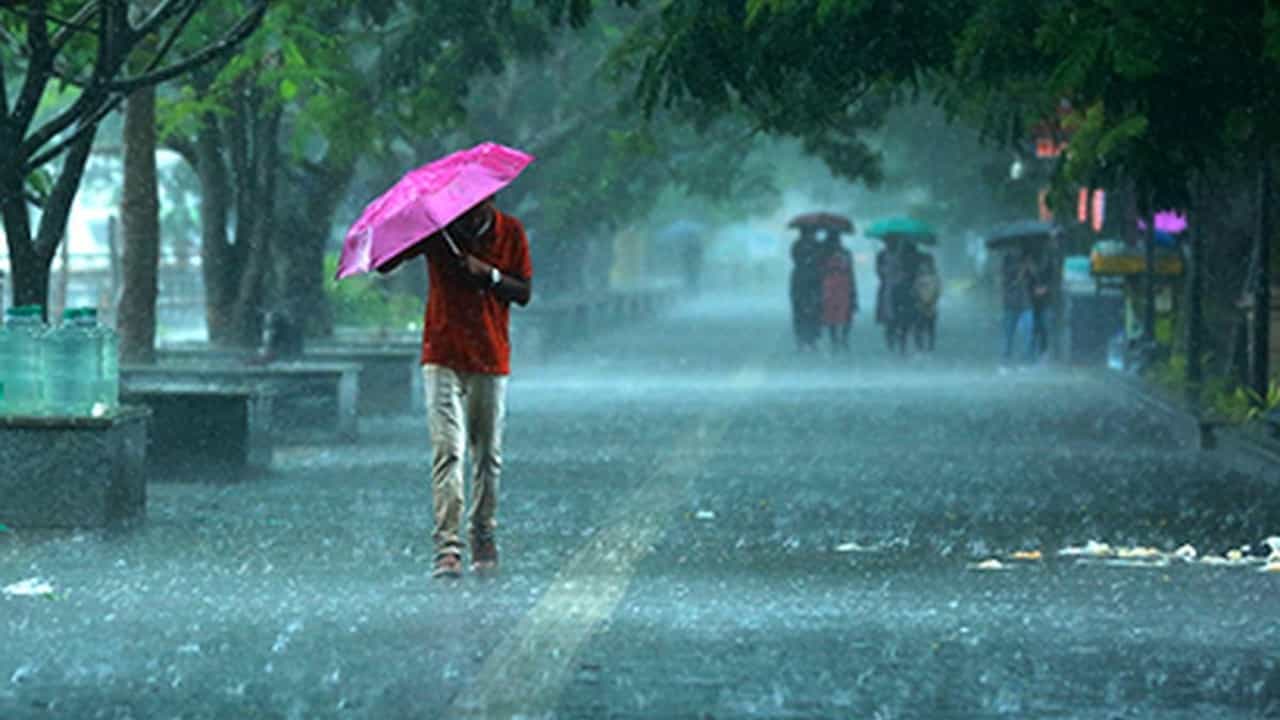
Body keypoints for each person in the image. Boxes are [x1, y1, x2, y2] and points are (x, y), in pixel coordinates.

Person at [377, 196, 533, 579]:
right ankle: (447, 547)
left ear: (491, 201)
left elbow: (524, 292)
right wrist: (405, 229)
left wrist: (489, 275)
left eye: (477, 205)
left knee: (487, 455)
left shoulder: (510, 231)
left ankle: (482, 532)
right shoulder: (438, 231)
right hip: (442, 353)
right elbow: (386, 264)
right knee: (448, 450)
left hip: (490, 356)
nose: (468, 211)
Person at [819, 229, 857, 352]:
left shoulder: (824, 254)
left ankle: (836, 339)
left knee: (833, 313)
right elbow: (850, 271)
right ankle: (843, 339)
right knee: (844, 312)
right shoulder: (844, 253)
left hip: (831, 285)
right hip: (842, 285)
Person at [1000, 247, 1036, 370]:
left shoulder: (1028, 262)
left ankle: (1026, 360)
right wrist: (1021, 270)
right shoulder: (1007, 264)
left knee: (1028, 333)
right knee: (1008, 334)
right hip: (1011, 304)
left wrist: (1031, 269)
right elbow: (1009, 283)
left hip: (1026, 303)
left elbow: (1036, 280)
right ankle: (1005, 361)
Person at [789, 226, 822, 351]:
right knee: (801, 311)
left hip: (811, 280)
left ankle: (810, 339)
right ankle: (803, 340)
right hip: (803, 281)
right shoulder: (798, 245)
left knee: (813, 311)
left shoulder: (817, 245)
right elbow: (796, 259)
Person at [912, 252, 941, 352]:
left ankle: (928, 345)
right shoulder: (919, 278)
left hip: (930, 306)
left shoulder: (934, 278)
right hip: (922, 305)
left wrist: (931, 301)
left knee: (929, 326)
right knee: (921, 326)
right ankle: (921, 345)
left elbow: (937, 292)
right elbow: (915, 291)